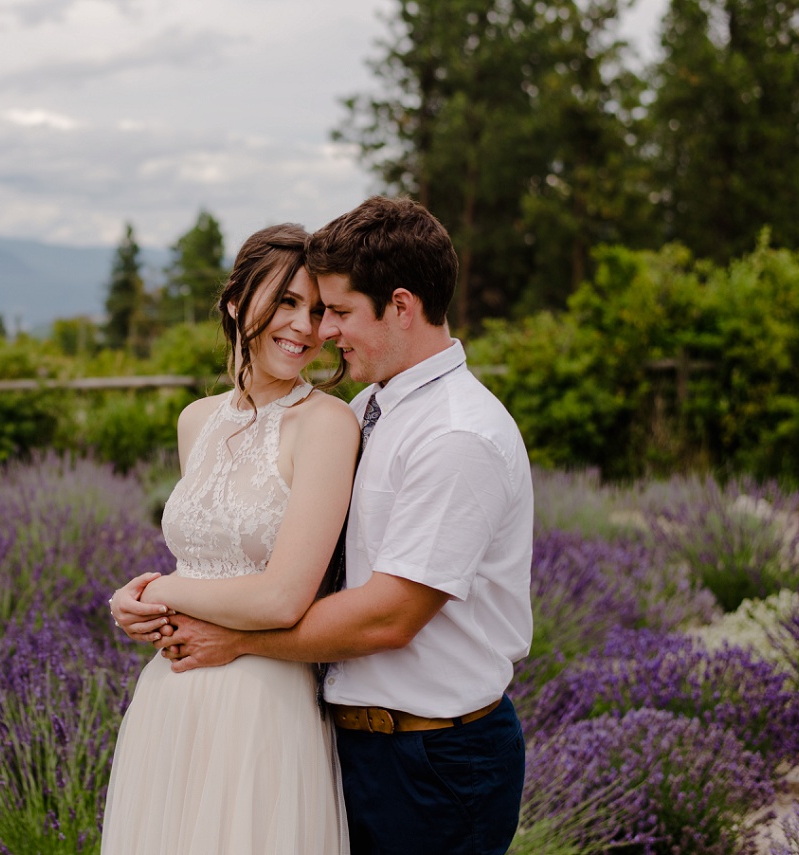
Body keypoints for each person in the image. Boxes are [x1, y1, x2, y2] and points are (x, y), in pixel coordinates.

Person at [115, 196, 534, 855]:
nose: (322, 331)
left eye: (335, 311)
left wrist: (223, 633)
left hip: (433, 754)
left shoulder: (455, 434)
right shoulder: (372, 405)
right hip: (353, 736)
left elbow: (388, 616)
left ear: (399, 306)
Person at [99, 223, 360, 855]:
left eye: (318, 310)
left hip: (262, 704)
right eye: (285, 302)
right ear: (237, 302)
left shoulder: (327, 424)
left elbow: (282, 599)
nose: (303, 327)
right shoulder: (196, 420)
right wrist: (136, 607)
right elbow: (206, 560)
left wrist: (156, 590)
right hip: (173, 694)